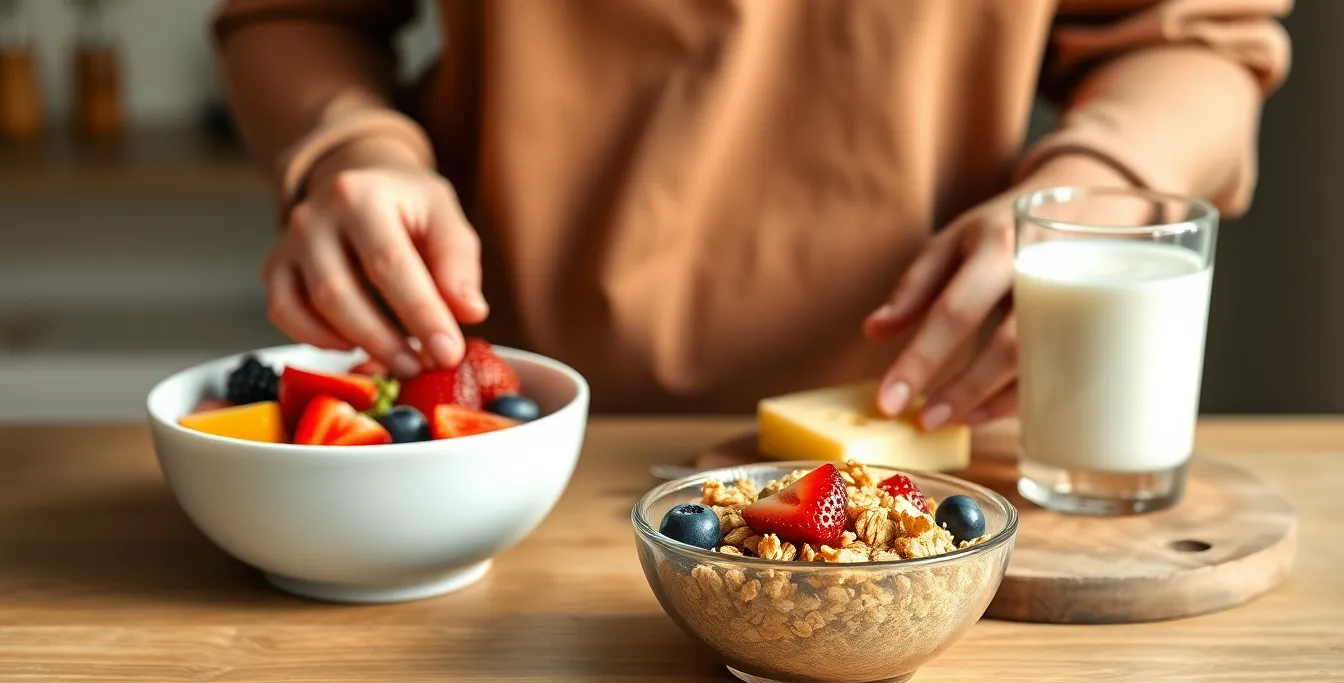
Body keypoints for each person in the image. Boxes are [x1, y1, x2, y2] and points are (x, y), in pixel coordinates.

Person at [212, 0, 1291, 420]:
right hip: (510, 440)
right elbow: (293, 13)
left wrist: (1091, 190)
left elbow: (1190, 37)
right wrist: (351, 144)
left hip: (937, 440)